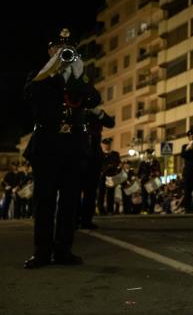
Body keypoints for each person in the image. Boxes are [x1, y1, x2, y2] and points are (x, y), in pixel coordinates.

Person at [22, 28, 101, 268]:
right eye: (58, 47)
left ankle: (63, 249)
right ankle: (42, 252)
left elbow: (94, 100)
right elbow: (29, 94)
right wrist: (51, 70)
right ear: (50, 50)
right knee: (44, 202)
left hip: (73, 147)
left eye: (68, 48)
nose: (63, 51)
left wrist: (79, 75)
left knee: (69, 203)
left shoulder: (78, 75)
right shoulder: (39, 74)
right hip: (46, 146)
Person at [78, 107, 115, 228]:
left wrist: (98, 113)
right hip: (79, 155)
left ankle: (86, 220)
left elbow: (111, 123)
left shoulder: (97, 114)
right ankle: (73, 219)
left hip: (94, 156)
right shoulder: (75, 112)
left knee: (91, 191)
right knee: (75, 191)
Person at [98, 137, 121, 215]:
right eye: (105, 144)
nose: (107, 146)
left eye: (108, 144)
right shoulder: (100, 154)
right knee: (101, 193)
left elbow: (118, 164)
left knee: (110, 194)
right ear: (103, 145)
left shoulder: (115, 154)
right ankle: (101, 210)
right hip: (102, 176)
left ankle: (110, 210)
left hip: (111, 176)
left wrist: (116, 171)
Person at [138, 148, 161, 214]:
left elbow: (159, 172)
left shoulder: (156, 162)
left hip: (153, 182)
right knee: (144, 197)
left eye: (150, 154)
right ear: (146, 154)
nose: (149, 155)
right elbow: (139, 173)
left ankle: (151, 209)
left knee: (153, 197)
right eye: (148, 154)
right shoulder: (142, 163)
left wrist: (154, 174)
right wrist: (141, 178)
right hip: (144, 182)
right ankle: (145, 210)